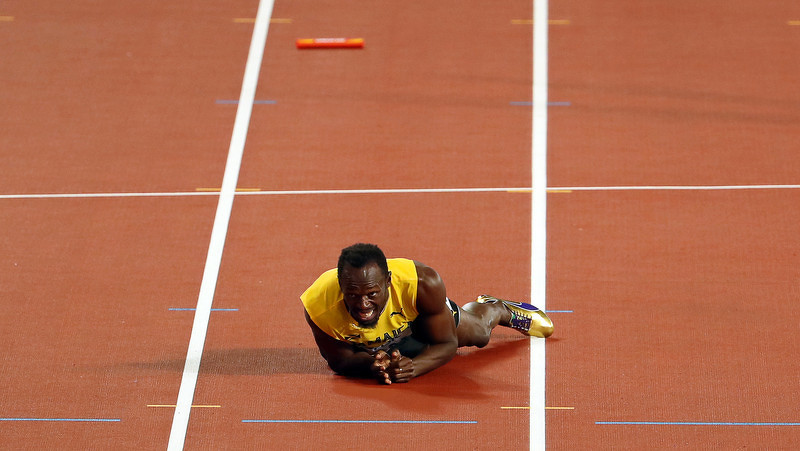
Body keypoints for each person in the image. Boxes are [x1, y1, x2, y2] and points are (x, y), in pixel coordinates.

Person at [301, 243, 553, 384]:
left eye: (371, 294)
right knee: (392, 350)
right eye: (353, 295)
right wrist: (376, 366)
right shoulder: (318, 305)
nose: (363, 304)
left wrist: (412, 368)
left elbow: (446, 344)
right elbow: (339, 361)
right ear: (340, 286)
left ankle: (495, 307)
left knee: (479, 335)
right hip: (374, 346)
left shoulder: (422, 283)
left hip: (415, 319)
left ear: (388, 282)